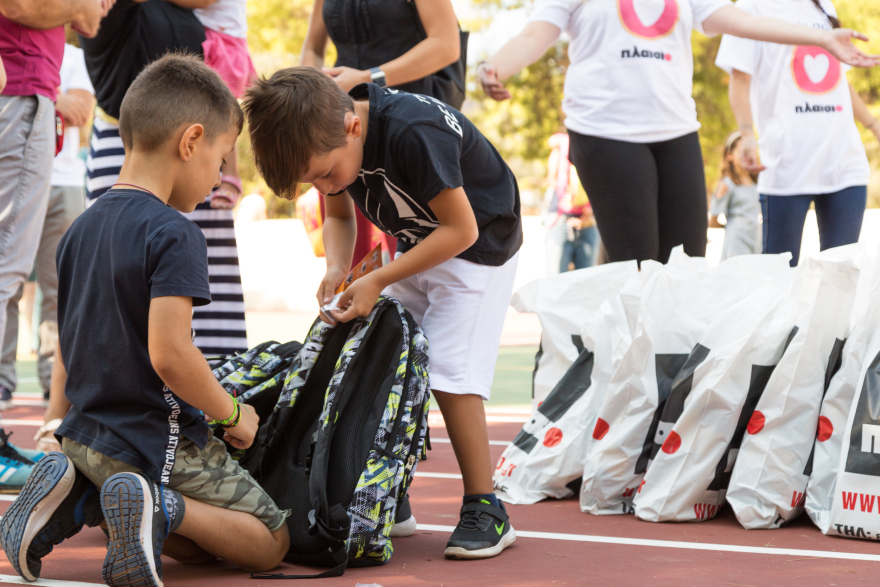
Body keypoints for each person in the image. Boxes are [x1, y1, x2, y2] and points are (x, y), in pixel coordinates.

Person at [0, 54, 289, 587]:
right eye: (222, 158)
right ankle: (159, 504)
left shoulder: (81, 230)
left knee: (197, 548)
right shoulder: (176, 233)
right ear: (190, 141)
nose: (220, 178)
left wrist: (55, 425)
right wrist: (231, 416)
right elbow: (171, 354)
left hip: (87, 439)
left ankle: (79, 493)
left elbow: (66, 344)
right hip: (159, 439)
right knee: (269, 541)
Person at [244, 68, 522, 559]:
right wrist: (337, 266)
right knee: (379, 353)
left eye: (326, 173)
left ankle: (486, 506)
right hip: (418, 241)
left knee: (451, 371)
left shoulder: (414, 132)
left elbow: (462, 230)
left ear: (353, 127)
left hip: (478, 248)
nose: (325, 184)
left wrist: (377, 278)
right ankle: (387, 492)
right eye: (314, 180)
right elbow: (338, 212)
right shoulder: (327, 139)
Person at [477, 0, 878, 265]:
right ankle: (632, 386)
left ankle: (672, 390)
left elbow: (743, 22)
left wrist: (823, 38)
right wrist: (496, 66)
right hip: (605, 131)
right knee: (638, 265)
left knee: (687, 264)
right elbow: (534, 36)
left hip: (676, 130)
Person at [81, 0, 248, 356]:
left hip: (196, 151)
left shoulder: (192, 18)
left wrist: (224, 165)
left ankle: (213, 379)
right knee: (113, 288)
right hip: (130, 148)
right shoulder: (119, 14)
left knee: (202, 289)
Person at [301, 0, 463, 269]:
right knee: (351, 255)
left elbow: (446, 44)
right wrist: (311, 89)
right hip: (341, 124)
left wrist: (368, 77)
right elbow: (313, 49)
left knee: (412, 244)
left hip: (406, 123)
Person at [715, 0, 878, 267]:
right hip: (785, 165)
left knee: (841, 277)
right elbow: (739, 80)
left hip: (843, 161)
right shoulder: (749, 7)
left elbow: (840, 81)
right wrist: (746, 134)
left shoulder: (824, 6)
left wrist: (873, 125)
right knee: (779, 278)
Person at [0, 38, 94, 411]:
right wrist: (55, 99)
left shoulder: (75, 58)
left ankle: (49, 385)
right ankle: (3, 380)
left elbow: (81, 110)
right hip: (16, 175)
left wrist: (40, 94)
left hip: (65, 184)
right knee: (10, 278)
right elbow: (64, 106)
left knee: (59, 289)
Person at [543, 132, 598, 275]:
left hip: (588, 223)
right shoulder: (563, 144)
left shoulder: (598, 148)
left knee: (584, 280)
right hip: (562, 220)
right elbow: (552, 177)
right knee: (555, 279)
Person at [709, 131, 761, 261]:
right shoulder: (727, 184)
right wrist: (732, 226)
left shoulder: (757, 181)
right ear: (729, 155)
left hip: (755, 239)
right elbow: (713, 222)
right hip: (737, 242)